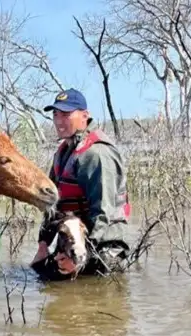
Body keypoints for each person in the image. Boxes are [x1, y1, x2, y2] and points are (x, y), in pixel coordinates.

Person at [31, 88, 130, 281]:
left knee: (92, 292)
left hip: (102, 247)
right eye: (56, 114)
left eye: (66, 114)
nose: (59, 121)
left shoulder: (96, 154)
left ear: (85, 116)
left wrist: (80, 256)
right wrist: (43, 245)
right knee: (38, 274)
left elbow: (103, 214)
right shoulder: (62, 152)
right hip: (73, 242)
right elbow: (53, 206)